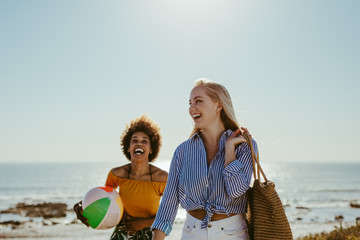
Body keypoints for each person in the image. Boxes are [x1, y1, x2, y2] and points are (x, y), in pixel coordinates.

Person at [151, 79, 257, 240]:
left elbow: (236, 190)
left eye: (198, 101)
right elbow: (169, 202)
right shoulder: (183, 151)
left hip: (232, 233)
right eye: (190, 103)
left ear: (218, 105)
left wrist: (229, 152)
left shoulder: (243, 145)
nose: (191, 108)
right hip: (191, 233)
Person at [74, 115, 168, 240]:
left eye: (145, 141)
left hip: (150, 233)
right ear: (128, 147)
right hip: (123, 232)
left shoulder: (161, 178)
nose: (139, 143)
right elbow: (104, 203)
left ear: (151, 149)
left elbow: (169, 215)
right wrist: (82, 208)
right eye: (134, 140)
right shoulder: (117, 174)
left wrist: (142, 223)